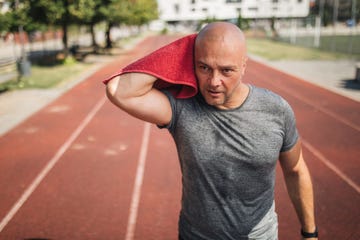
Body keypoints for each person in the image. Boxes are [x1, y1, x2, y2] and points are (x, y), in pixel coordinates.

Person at [105, 22, 317, 240]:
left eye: (226, 70)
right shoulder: (182, 107)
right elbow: (118, 91)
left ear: (244, 66)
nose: (214, 82)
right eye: (204, 67)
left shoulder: (276, 110)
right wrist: (185, 46)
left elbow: (295, 170)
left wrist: (310, 233)